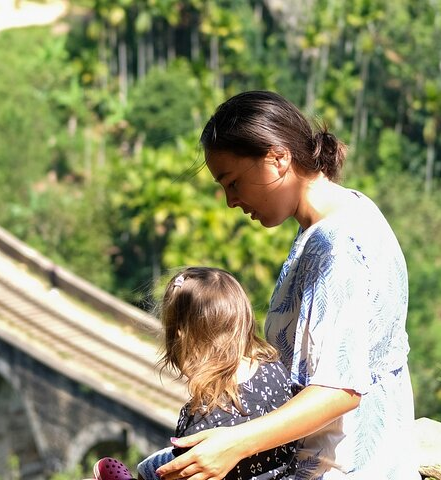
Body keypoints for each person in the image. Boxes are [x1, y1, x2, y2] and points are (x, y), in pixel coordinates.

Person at [154, 91, 419, 479]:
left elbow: (339, 390)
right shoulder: (348, 213)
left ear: (278, 158)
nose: (231, 201)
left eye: (233, 182)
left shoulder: (336, 248)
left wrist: (235, 443)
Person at [94, 266, 296, 480]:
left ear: (180, 336)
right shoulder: (274, 368)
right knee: (151, 464)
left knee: (152, 469)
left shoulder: (202, 419)